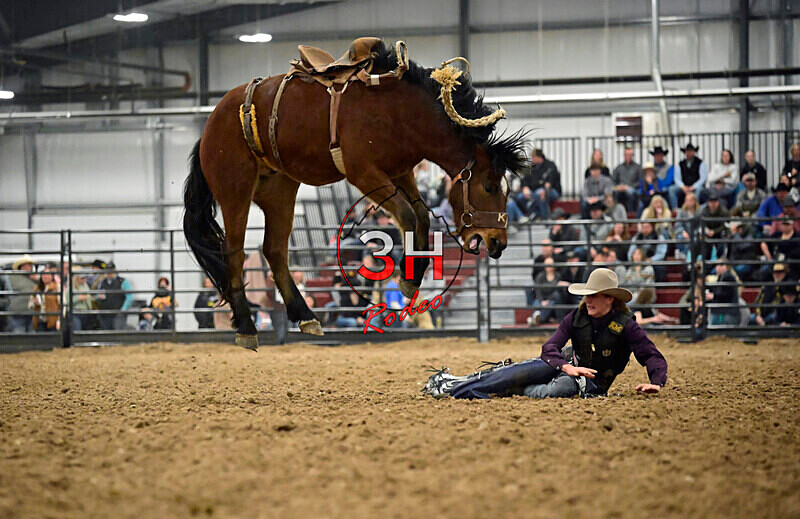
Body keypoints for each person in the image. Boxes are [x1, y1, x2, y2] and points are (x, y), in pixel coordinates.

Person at [422, 268, 668, 399]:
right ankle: (455, 385)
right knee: (517, 372)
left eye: (593, 295)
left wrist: (656, 383)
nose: (588, 300)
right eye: (587, 295)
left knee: (551, 392)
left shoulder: (626, 325)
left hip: (592, 384)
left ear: (609, 299)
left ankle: (510, 389)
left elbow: (651, 355)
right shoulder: (577, 317)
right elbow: (550, 348)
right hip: (566, 364)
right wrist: (567, 366)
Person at [523, 148, 561, 219]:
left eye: (533, 157)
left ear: (539, 157)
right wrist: (525, 187)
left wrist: (545, 191)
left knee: (539, 194)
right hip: (534, 191)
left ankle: (545, 217)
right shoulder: (532, 167)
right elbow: (526, 179)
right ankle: (534, 214)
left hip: (552, 190)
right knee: (521, 197)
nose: (532, 159)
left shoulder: (550, 165)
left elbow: (550, 181)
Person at [668, 142, 708, 210]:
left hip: (696, 186)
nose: (688, 153)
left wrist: (694, 187)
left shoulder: (701, 163)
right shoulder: (681, 164)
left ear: (694, 152)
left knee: (699, 190)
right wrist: (683, 187)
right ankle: (675, 210)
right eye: (687, 151)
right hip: (684, 186)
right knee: (672, 189)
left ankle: (695, 209)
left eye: (690, 151)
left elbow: (703, 178)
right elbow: (677, 178)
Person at [96, 262, 133, 330]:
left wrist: (123, 310)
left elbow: (129, 298)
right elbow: (97, 296)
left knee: (117, 334)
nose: (109, 273)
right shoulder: (102, 282)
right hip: (105, 315)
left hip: (118, 314)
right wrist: (99, 297)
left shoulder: (123, 281)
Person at [529, 257, 564, 326]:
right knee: (536, 304)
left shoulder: (558, 276)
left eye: (550, 264)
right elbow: (538, 291)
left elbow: (556, 291)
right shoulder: (540, 276)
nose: (549, 266)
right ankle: (537, 318)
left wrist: (548, 300)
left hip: (552, 299)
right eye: (547, 264)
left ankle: (537, 319)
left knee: (551, 304)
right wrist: (542, 301)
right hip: (541, 298)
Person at [7, 255, 38, 333]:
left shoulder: (34, 278)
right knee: (19, 333)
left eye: (30, 265)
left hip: (32, 312)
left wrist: (37, 280)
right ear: (21, 267)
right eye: (27, 266)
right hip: (18, 312)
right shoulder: (13, 277)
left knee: (32, 334)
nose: (30, 268)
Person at [706, 261, 741, 326]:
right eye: (717, 265)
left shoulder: (728, 277)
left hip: (726, 313)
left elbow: (726, 295)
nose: (718, 267)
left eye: (721, 265)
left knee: (718, 332)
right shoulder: (721, 277)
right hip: (723, 312)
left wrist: (713, 296)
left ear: (726, 267)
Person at [700, 192, 730, 261]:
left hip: (720, 233)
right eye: (711, 202)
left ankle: (721, 259)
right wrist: (707, 231)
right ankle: (706, 262)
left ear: (718, 202)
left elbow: (726, 225)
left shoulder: (724, 212)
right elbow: (702, 224)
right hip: (708, 233)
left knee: (723, 241)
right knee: (703, 242)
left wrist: (715, 231)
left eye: (715, 202)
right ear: (708, 202)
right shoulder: (704, 211)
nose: (713, 204)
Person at [31, 265, 60, 332]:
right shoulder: (37, 288)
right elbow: (30, 304)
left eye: (47, 275)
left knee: (52, 341)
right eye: (43, 275)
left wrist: (59, 320)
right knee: (41, 341)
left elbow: (62, 305)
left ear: (52, 277)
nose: (45, 276)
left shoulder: (57, 287)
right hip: (40, 321)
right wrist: (34, 303)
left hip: (53, 321)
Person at [612, 147, 641, 212]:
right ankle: (616, 213)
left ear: (632, 155)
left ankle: (631, 214)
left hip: (632, 189)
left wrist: (629, 187)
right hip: (620, 189)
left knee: (630, 193)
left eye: (630, 154)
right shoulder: (619, 167)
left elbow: (640, 181)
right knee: (614, 193)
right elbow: (613, 180)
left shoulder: (637, 167)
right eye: (627, 154)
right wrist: (618, 187)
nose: (628, 156)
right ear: (624, 155)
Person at [674, 192, 700, 259]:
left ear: (695, 202)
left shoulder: (699, 212)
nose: (688, 202)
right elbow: (678, 224)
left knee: (695, 239)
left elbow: (699, 225)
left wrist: (695, 233)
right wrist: (683, 232)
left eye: (690, 200)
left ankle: (689, 256)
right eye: (687, 201)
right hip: (684, 233)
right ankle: (684, 254)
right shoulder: (681, 212)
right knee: (680, 237)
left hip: (695, 234)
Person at [71, 267, 95, 331]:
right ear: (77, 278)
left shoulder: (86, 286)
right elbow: (68, 300)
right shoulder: (71, 287)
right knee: (77, 330)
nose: (83, 279)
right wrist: (80, 297)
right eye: (82, 278)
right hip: (76, 312)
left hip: (86, 312)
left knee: (85, 331)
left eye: (84, 278)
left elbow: (89, 297)